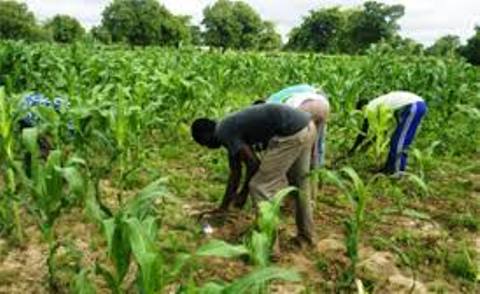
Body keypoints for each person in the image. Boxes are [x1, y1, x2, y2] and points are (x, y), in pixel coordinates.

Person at [191, 103, 316, 245]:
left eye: (204, 143)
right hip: (306, 126)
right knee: (300, 186)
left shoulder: (224, 132)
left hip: (291, 133)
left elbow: (253, 163)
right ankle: (306, 237)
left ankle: (267, 245)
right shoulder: (227, 128)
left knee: (260, 187)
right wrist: (223, 207)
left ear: (206, 136)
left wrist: (244, 193)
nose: (207, 147)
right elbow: (235, 173)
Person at [349, 91, 427, 175]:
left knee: (399, 142)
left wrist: (353, 149)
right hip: (414, 106)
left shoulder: (369, 108)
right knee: (395, 140)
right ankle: (388, 168)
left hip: (414, 105)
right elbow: (382, 131)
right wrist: (368, 145)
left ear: (362, 108)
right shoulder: (379, 104)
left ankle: (397, 172)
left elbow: (363, 132)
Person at [258, 84, 330, 168]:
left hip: (304, 107)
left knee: (298, 141)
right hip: (324, 105)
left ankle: (300, 173)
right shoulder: (279, 96)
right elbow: (321, 141)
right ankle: (317, 169)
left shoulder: (269, 105)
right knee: (316, 140)